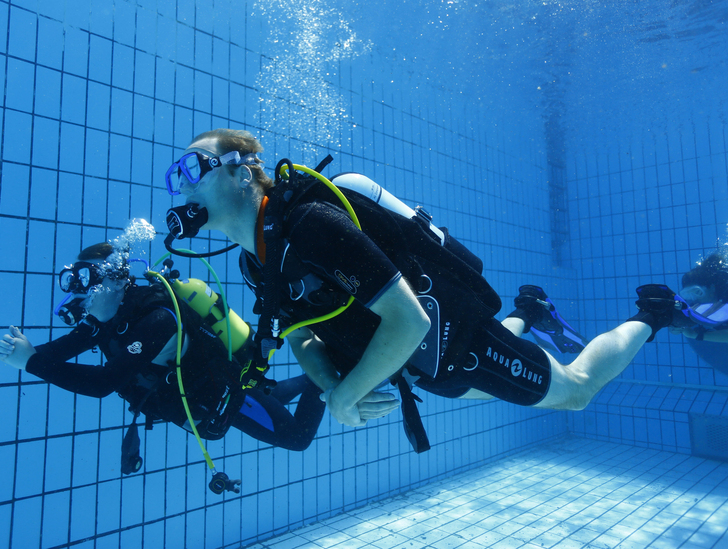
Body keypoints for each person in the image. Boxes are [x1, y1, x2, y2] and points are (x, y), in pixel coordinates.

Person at [161, 128, 688, 447]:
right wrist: (331, 387)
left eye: (192, 168)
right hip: (426, 365)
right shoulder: (258, 261)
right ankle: (531, 308)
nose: (182, 184)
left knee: (575, 391)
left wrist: (346, 395)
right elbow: (299, 335)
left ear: (241, 173)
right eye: (174, 177)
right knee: (517, 371)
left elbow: (410, 319)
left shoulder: (310, 226)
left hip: (454, 341)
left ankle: (654, 312)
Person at [0, 241, 326, 481]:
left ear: (116, 281)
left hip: (222, 394)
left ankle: (325, 377)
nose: (81, 293)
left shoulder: (157, 318)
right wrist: (31, 353)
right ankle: (313, 378)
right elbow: (57, 352)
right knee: (266, 398)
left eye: (89, 281)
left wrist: (31, 363)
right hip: (201, 399)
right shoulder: (106, 319)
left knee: (296, 439)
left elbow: (102, 384)